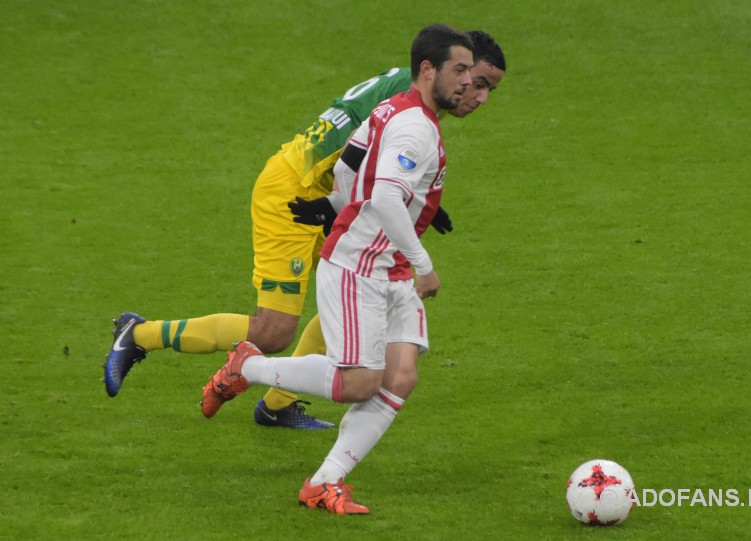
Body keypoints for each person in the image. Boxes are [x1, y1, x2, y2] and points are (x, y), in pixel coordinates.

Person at [104, 30, 506, 431]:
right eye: (475, 79)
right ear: (436, 69)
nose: (477, 93)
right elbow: (356, 157)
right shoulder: (413, 102)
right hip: (297, 191)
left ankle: (278, 403)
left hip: (327, 192)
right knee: (273, 330)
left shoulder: (413, 87)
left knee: (363, 285)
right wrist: (370, 205)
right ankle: (139, 335)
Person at [201, 23, 474, 514]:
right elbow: (389, 196)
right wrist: (424, 264)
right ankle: (249, 365)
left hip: (385, 268)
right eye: (459, 71)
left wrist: (342, 205)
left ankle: (324, 482)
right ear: (427, 69)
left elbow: (349, 163)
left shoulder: (394, 110)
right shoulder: (415, 126)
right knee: (360, 383)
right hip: (361, 268)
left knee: (402, 376)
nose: (468, 84)